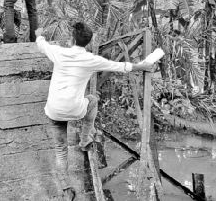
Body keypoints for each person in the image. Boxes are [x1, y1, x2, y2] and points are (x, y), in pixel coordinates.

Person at [35, 22, 161, 199]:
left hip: (54, 110)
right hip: (76, 110)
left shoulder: (58, 52)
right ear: (87, 41)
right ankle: (85, 139)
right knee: (92, 99)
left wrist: (39, 34)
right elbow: (121, 67)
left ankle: (65, 189)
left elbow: (42, 45)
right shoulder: (91, 60)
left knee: (60, 150)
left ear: (71, 38)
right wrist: (143, 66)